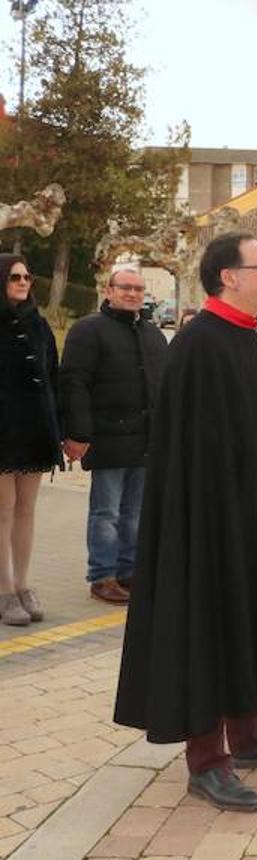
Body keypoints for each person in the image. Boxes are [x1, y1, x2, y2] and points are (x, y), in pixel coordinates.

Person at [113, 232, 257, 812]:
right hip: (213, 523)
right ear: (228, 277)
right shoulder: (199, 346)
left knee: (255, 616)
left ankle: (253, 734)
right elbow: (195, 449)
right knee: (213, 625)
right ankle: (208, 760)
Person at [59, 267, 169, 605]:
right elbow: (74, 384)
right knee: (106, 512)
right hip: (106, 439)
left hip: (145, 441)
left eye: (138, 288)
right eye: (126, 288)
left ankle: (128, 571)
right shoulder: (88, 331)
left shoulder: (153, 335)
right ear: (109, 290)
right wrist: (76, 434)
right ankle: (102, 576)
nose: (133, 294)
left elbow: (163, 387)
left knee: (135, 511)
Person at [0, 254, 62, 627]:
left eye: (27, 276)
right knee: (3, 510)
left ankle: (22, 584)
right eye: (14, 277)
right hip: (2, 433)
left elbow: (52, 378)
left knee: (26, 509)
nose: (23, 282)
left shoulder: (38, 325)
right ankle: (4, 589)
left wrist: (60, 427)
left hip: (35, 431)